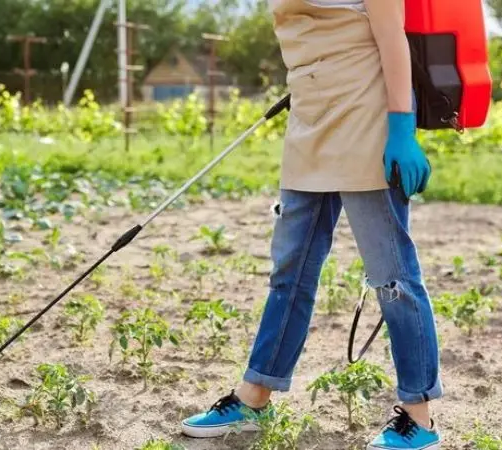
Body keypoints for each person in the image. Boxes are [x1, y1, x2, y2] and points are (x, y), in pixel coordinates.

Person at [180, 0, 442, 449]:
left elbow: (391, 37)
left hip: (368, 118)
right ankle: (254, 397)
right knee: (291, 271)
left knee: (392, 277)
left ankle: (419, 419)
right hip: (310, 120)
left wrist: (402, 127)